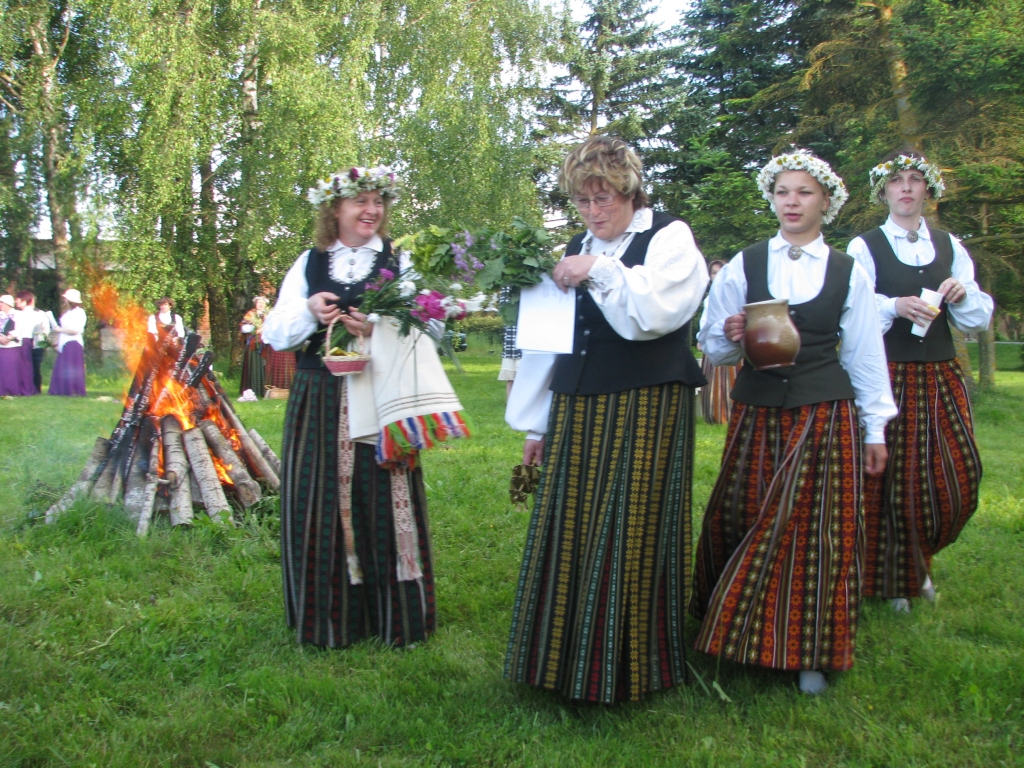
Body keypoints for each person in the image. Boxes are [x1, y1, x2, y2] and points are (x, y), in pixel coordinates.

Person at [504, 135, 709, 703]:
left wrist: (597, 268)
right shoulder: (577, 245)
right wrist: (536, 425)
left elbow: (654, 312)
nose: (595, 212)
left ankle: (627, 668)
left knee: (631, 526)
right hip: (579, 405)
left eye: (606, 199)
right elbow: (550, 342)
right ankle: (558, 663)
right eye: (584, 201)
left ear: (631, 191)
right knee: (569, 523)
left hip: (646, 403)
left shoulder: (669, 237)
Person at [692, 150, 897, 695]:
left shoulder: (849, 272)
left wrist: (876, 426)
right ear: (772, 197)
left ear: (826, 202)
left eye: (804, 192)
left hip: (824, 410)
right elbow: (713, 345)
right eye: (783, 191)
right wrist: (730, 332)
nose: (791, 201)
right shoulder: (746, 262)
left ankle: (809, 651)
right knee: (745, 512)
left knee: (816, 528)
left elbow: (865, 355)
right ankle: (738, 633)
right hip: (758, 411)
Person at [263, 165, 467, 649]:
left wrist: (381, 327)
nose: (371, 210)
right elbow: (274, 332)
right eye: (361, 201)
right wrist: (310, 310)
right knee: (319, 500)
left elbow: (433, 326)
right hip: (318, 397)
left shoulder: (399, 260)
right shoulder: (309, 262)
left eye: (379, 202)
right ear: (335, 209)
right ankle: (328, 620)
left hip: (382, 394)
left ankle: (395, 619)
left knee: (383, 496)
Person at [847, 151, 992, 612]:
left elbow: (977, 320)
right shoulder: (864, 246)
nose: (906, 188)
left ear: (928, 190)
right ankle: (897, 576)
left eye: (914, 180)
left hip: (942, 375)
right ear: (884, 192)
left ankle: (919, 558)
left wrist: (964, 292)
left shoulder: (950, 246)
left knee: (954, 475)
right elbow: (851, 309)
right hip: (889, 374)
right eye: (897, 182)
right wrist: (894, 306)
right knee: (893, 479)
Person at [697, 260, 740, 424]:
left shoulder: (733, 293)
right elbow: (705, 319)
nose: (716, 275)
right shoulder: (709, 297)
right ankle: (714, 415)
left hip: (730, 342)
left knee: (729, 380)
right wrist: (701, 338)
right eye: (713, 272)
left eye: (719, 271)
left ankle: (730, 415)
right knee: (713, 381)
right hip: (711, 342)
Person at [48, 288, 88, 397]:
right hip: (65, 342)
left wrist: (59, 329)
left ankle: (72, 390)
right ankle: (62, 389)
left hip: (73, 343)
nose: (64, 301)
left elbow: (75, 330)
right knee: (63, 366)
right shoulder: (68, 312)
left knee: (71, 367)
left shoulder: (79, 313)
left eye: (66, 299)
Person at [0, 294, 32, 397]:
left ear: (8, 304)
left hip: (12, 346)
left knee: (11, 369)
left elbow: (19, 329)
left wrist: (8, 338)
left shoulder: (18, 315)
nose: (0, 305)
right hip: (1, 345)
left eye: (2, 303)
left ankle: (12, 390)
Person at [11, 290, 41, 394]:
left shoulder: (23, 314)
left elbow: (19, 329)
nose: (16, 302)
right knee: (26, 365)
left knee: (23, 365)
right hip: (28, 340)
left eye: (18, 300)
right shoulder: (34, 313)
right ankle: (28, 387)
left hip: (22, 340)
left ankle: (25, 388)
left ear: (24, 301)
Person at [239, 296, 268, 397]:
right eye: (259, 302)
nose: (260, 304)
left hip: (266, 345)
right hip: (253, 345)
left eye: (262, 303)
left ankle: (265, 390)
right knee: (254, 366)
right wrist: (254, 328)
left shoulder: (269, 315)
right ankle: (252, 389)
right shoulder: (250, 314)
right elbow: (243, 328)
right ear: (255, 304)